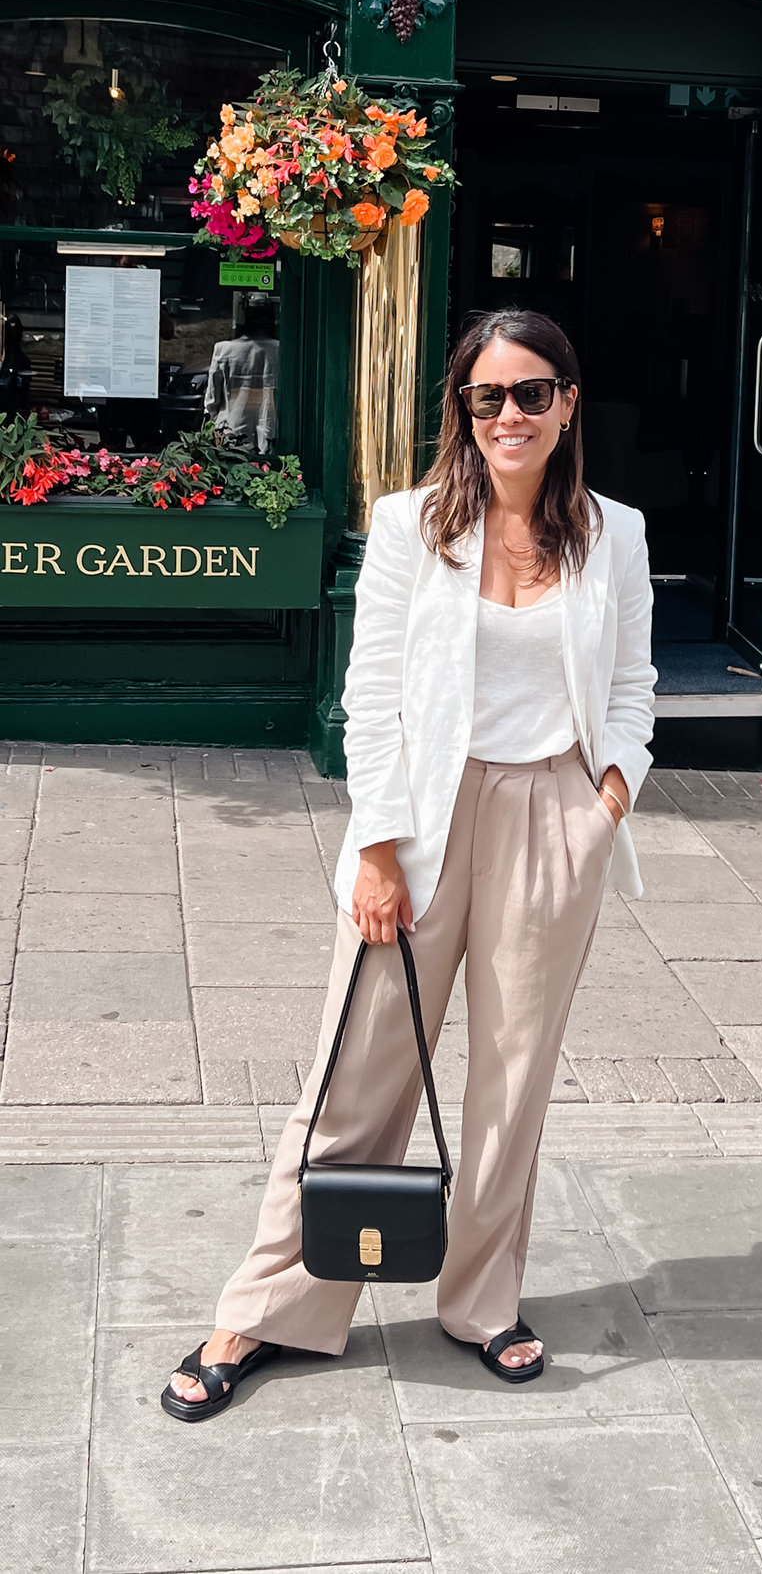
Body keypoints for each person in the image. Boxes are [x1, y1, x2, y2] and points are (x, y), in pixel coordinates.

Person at [161, 306, 657, 1421]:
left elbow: (633, 685)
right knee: (355, 1070)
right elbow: (368, 697)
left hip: (552, 816)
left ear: (569, 402)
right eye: (489, 397)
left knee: (514, 1082)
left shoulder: (612, 533)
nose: (511, 414)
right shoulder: (410, 524)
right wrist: (376, 846)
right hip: (423, 819)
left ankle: (482, 1301)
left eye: (533, 392)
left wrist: (607, 799)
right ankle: (263, 1306)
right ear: (464, 410)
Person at [204, 297, 279, 454]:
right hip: (270, 428)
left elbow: (212, 399)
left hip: (232, 427)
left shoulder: (224, 350)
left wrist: (213, 420)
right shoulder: (280, 350)